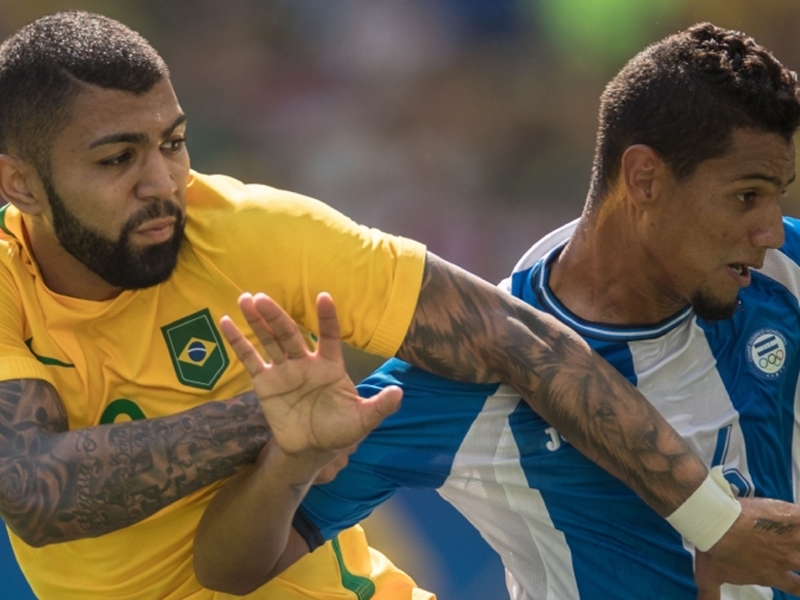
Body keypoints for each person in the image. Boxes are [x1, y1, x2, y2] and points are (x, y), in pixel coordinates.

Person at [0, 10, 775, 600]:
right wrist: (261, 423)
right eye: (117, 158)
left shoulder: (248, 232)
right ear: (19, 183)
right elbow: (37, 491)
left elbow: (519, 340)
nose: (164, 183)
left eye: (173, 142)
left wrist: (712, 521)